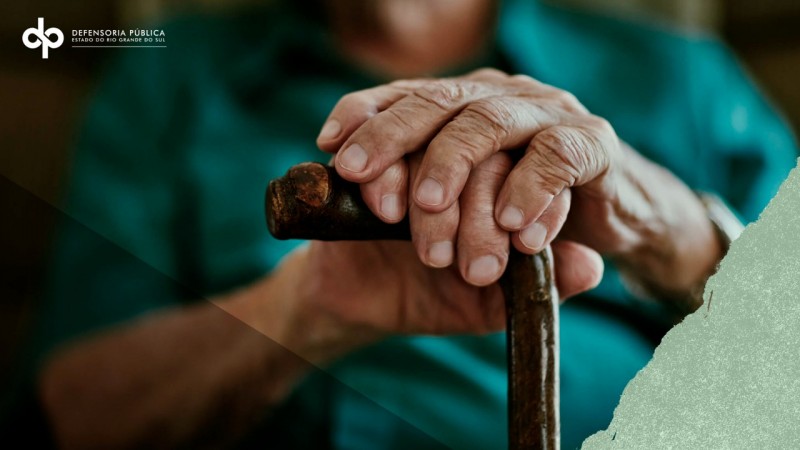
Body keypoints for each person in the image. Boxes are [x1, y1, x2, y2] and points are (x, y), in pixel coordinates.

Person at [20, 0, 796, 448]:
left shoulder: (681, 78)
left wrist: (668, 233)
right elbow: (77, 414)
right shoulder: (166, 76)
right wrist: (303, 310)